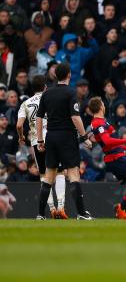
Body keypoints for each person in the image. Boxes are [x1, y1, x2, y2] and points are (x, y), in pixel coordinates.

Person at [35, 63, 94, 220]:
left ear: (55, 75)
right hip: (67, 137)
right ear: (69, 75)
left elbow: (39, 118)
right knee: (74, 173)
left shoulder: (46, 94)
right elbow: (75, 117)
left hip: (51, 137)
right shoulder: (70, 93)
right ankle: (81, 213)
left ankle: (40, 214)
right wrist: (84, 137)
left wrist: (40, 139)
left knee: (49, 176)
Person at [16, 75, 67, 219]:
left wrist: (21, 137)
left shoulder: (25, 103)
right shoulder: (51, 98)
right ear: (45, 86)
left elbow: (19, 125)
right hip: (54, 138)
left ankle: (51, 209)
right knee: (60, 173)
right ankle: (61, 207)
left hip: (37, 142)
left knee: (44, 176)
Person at [88, 97, 126, 220]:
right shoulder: (98, 123)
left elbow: (112, 143)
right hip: (116, 158)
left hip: (117, 156)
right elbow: (107, 142)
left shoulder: (102, 122)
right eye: (103, 103)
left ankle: (122, 210)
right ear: (101, 106)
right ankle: (121, 209)